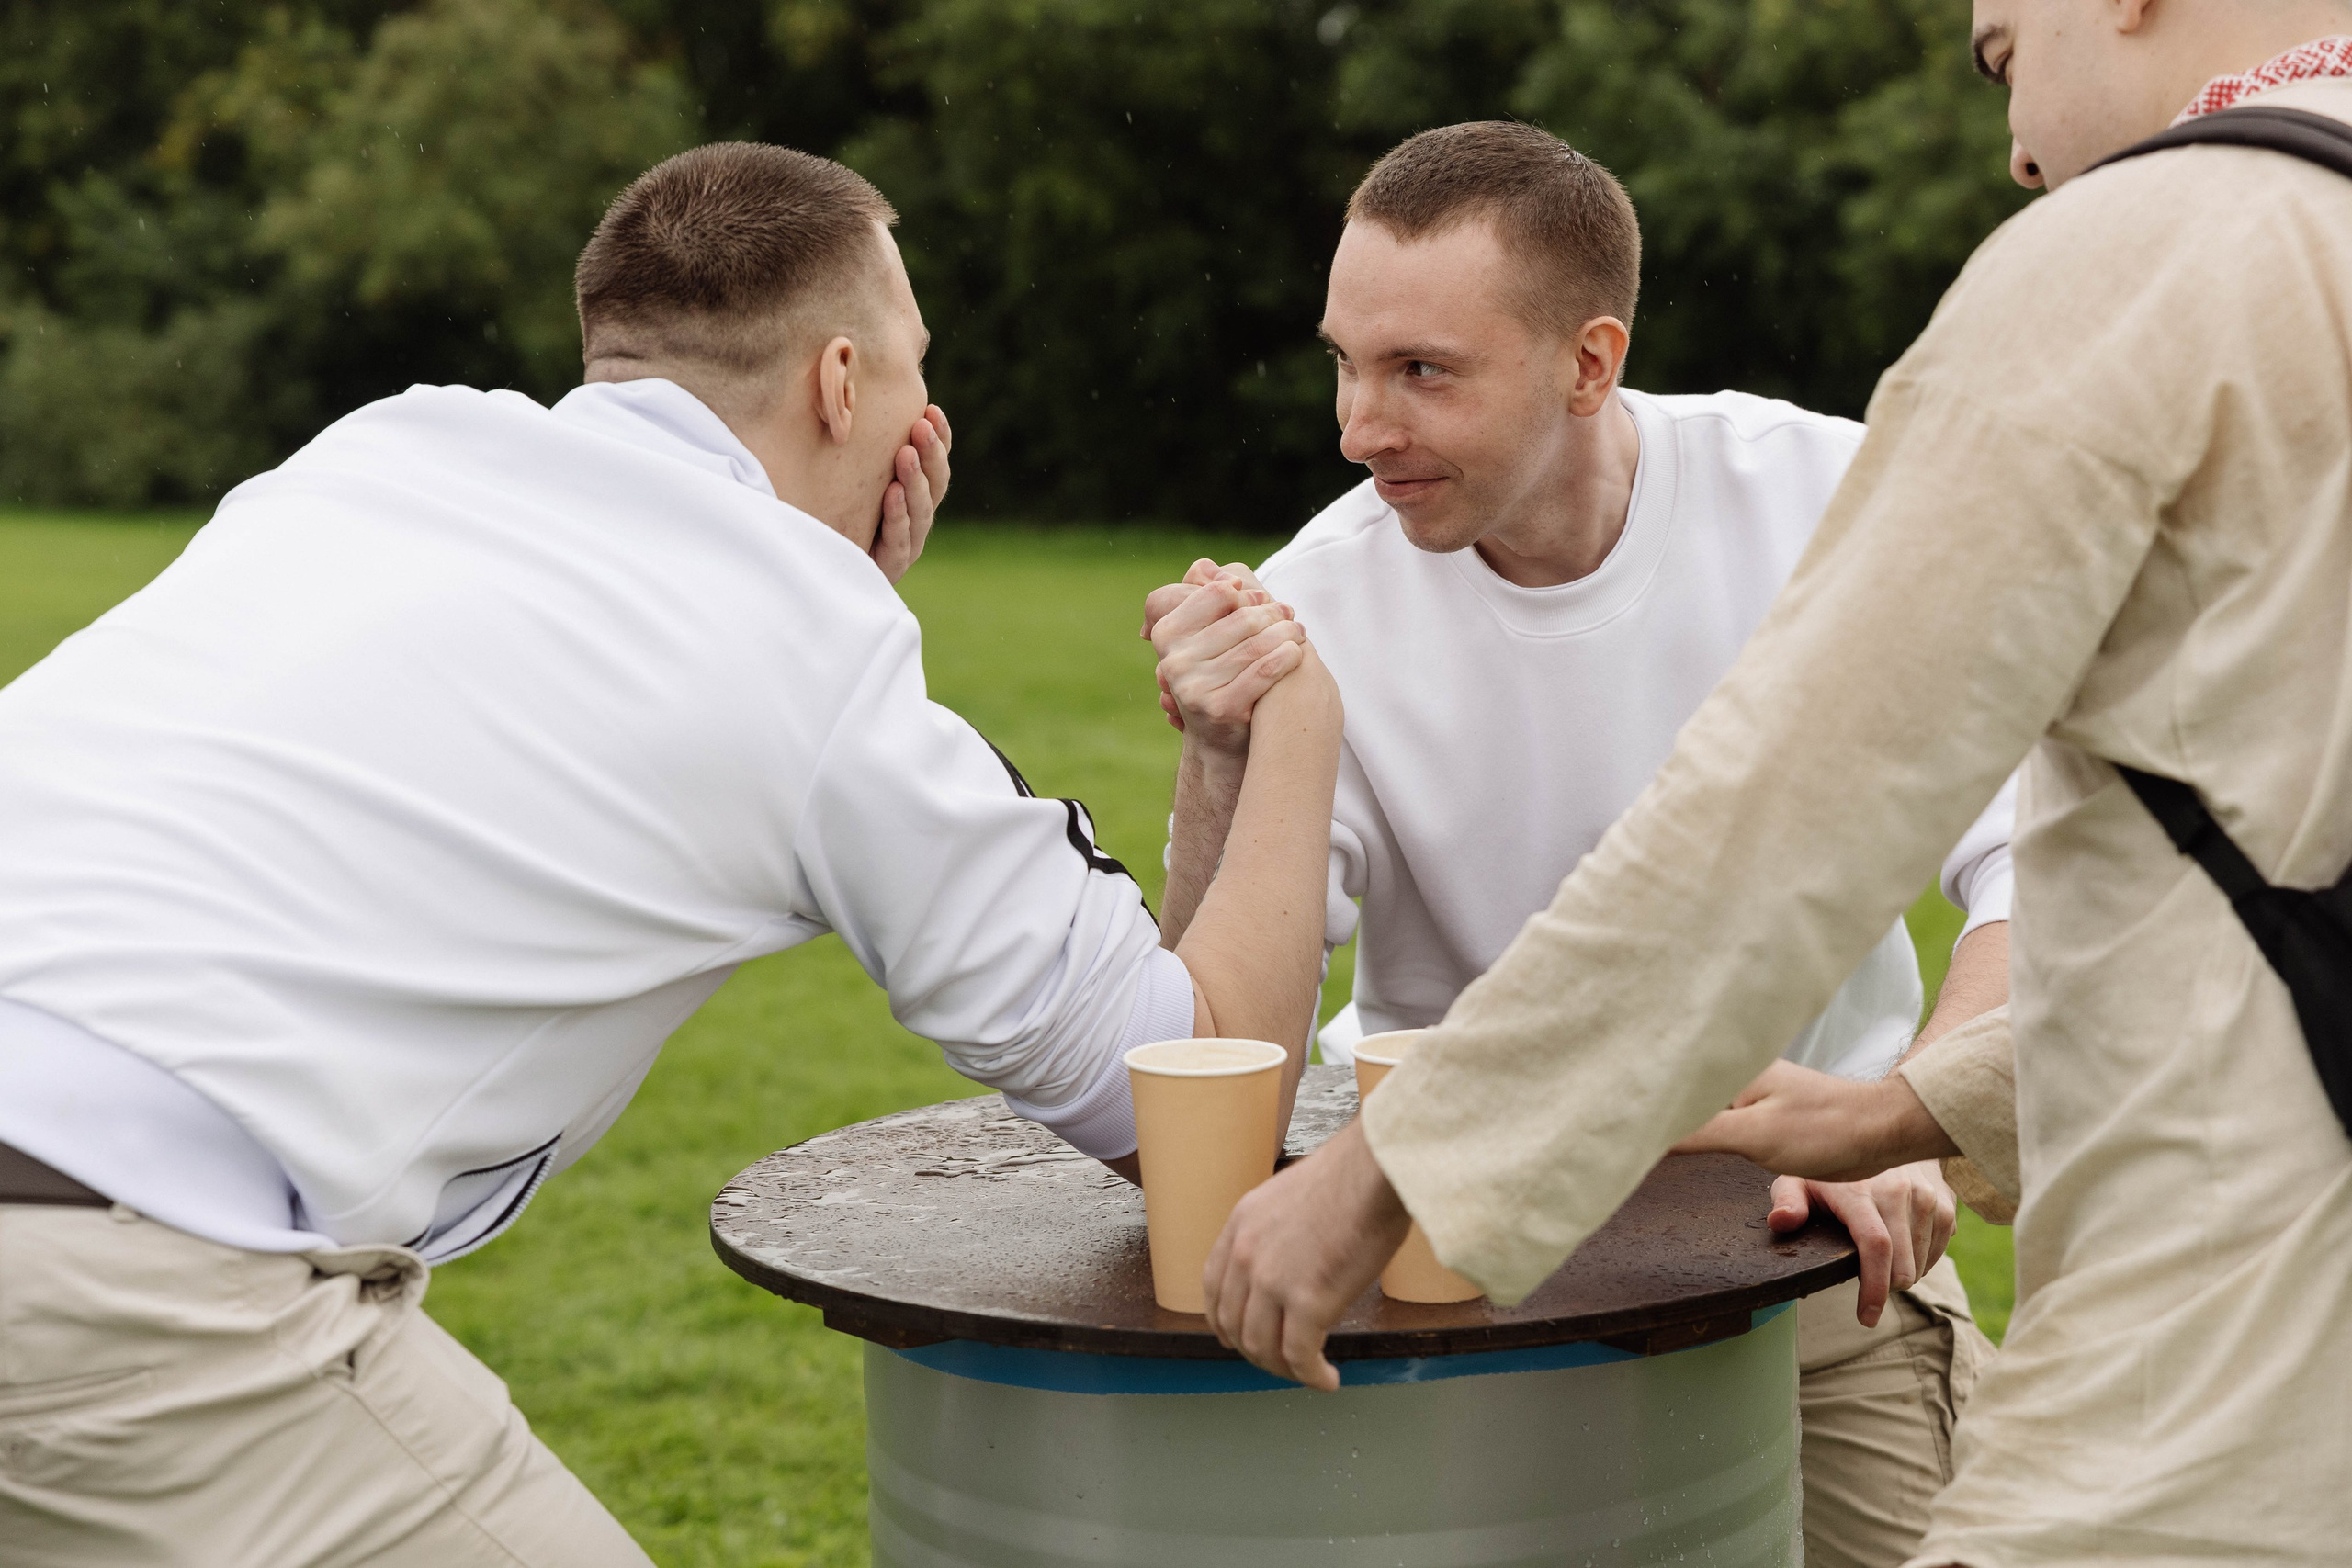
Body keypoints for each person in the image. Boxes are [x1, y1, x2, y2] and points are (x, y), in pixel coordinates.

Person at [0, 142, 1341, 1566]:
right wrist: (1288, 721)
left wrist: (814, 589)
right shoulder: (806, 657)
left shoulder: (386, 447)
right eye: (916, 365)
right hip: (116, 1271)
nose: (929, 416)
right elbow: (1199, 1115)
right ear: (841, 383)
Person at [1201, 1, 2352, 1563]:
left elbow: (1777, 829)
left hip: (2205, 1315)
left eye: (2005, 56)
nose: (2018, 153)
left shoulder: (2130, 260)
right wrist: (1907, 1111)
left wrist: (1399, 1167)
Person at [1146, 120, 2009, 1568]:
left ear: (1590, 363)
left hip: (1808, 1229)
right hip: (1439, 1251)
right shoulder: (1319, 600)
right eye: (1345, 364)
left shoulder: (1827, 501)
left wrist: (1904, 1120)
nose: (1358, 428)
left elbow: (2036, 859)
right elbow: (1218, 1050)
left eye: (1421, 372)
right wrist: (1220, 756)